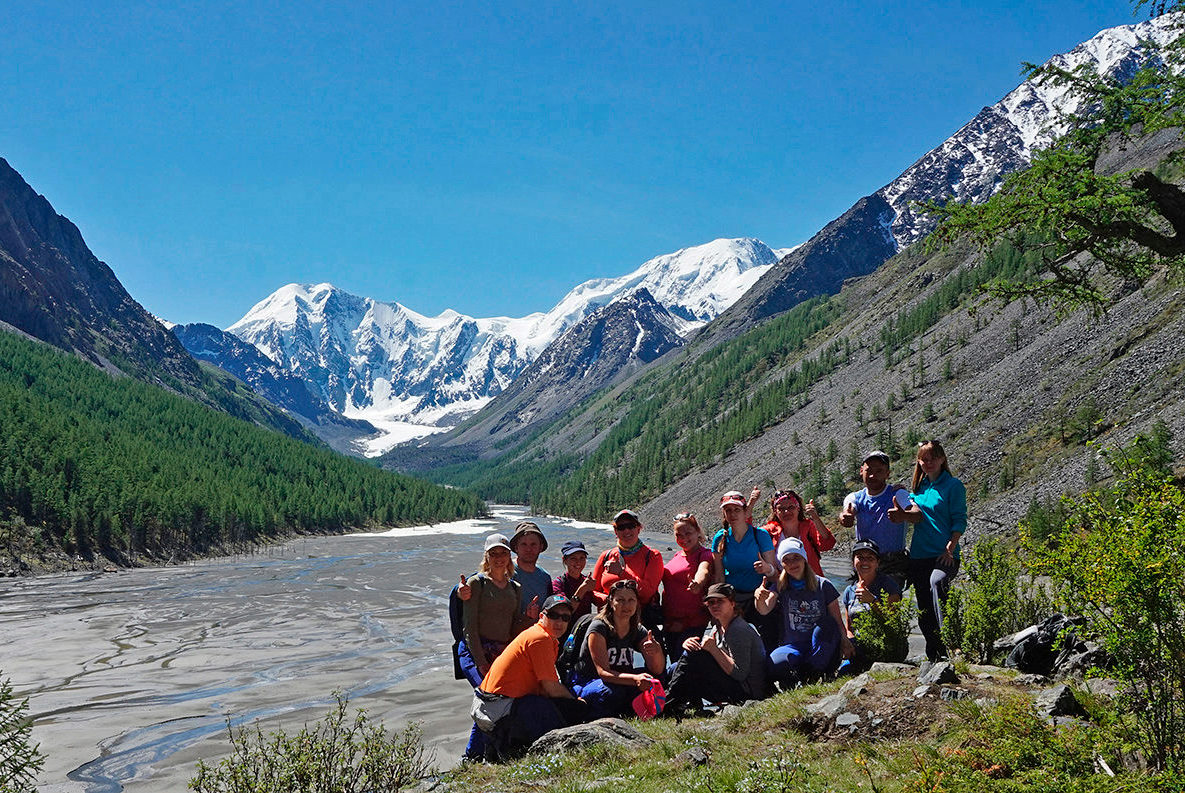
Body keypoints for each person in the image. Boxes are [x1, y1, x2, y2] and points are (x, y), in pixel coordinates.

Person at [473, 594, 586, 760]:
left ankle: (481, 753)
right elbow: (551, 688)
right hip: (498, 709)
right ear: (541, 616)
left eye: (565, 617)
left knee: (555, 703)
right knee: (565, 708)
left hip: (489, 706)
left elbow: (545, 687)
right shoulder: (540, 639)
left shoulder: (540, 635)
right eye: (553, 615)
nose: (559, 622)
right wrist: (576, 702)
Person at [457, 533, 536, 760]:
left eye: (503, 553)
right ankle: (473, 755)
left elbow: (512, 628)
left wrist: (528, 618)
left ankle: (489, 752)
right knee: (489, 698)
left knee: (496, 700)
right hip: (474, 651)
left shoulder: (515, 587)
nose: (499, 558)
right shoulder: (477, 583)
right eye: (494, 553)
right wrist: (480, 661)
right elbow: (469, 627)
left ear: (509, 556)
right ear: (487, 557)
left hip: (500, 653)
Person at [896, 439, 966, 662]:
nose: (929, 462)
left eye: (933, 458)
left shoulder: (953, 486)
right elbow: (912, 513)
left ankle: (952, 644)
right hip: (919, 555)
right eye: (924, 459)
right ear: (918, 461)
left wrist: (951, 545)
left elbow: (959, 518)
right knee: (924, 608)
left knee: (938, 583)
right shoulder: (920, 487)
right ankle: (934, 655)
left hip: (944, 555)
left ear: (942, 459)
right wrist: (900, 495)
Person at [756, 537, 853, 687]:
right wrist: (759, 599)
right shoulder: (780, 586)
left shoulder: (823, 585)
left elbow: (837, 620)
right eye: (786, 560)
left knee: (827, 624)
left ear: (804, 559)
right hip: (794, 646)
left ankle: (814, 671)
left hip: (821, 643)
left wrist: (845, 641)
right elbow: (764, 609)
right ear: (782, 564)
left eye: (796, 557)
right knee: (774, 663)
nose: (792, 563)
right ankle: (807, 672)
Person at [664, 583, 768, 714]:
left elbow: (740, 674)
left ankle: (667, 703)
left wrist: (713, 649)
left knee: (693, 656)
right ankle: (677, 704)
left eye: (720, 601)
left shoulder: (738, 630)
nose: (715, 605)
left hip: (747, 693)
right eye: (711, 602)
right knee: (677, 666)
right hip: (733, 686)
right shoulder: (717, 628)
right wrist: (689, 644)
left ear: (732, 603)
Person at [570, 579, 666, 719]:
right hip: (591, 681)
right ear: (610, 601)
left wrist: (656, 651)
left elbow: (657, 669)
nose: (626, 605)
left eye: (631, 600)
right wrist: (635, 679)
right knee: (612, 692)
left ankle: (630, 710)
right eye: (620, 600)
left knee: (656, 679)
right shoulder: (599, 628)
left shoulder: (637, 629)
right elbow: (603, 673)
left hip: (621, 680)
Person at [712, 491, 778, 647]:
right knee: (733, 644)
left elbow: (774, 574)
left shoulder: (760, 535)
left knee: (767, 641)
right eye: (728, 510)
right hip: (733, 599)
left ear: (744, 511)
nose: (732, 514)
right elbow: (719, 577)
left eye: (737, 510)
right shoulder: (720, 538)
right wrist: (717, 605)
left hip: (759, 597)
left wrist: (767, 568)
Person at [839, 451, 912, 587]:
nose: (873, 475)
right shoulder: (854, 497)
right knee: (862, 599)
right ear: (861, 471)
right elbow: (848, 511)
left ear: (887, 474)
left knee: (889, 599)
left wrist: (905, 515)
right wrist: (845, 517)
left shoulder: (899, 494)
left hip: (893, 563)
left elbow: (917, 514)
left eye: (879, 471)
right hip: (865, 560)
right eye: (869, 470)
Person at [839, 539, 904, 673]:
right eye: (860, 557)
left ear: (877, 563)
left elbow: (893, 622)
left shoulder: (889, 586)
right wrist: (848, 644)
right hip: (859, 645)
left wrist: (872, 601)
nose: (865, 562)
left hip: (885, 644)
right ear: (853, 561)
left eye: (870, 558)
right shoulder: (849, 591)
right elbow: (849, 629)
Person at [591, 509, 664, 620]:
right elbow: (592, 592)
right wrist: (611, 601)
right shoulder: (606, 556)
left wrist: (622, 573)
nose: (626, 530)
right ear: (615, 531)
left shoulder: (652, 556)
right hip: (608, 620)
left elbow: (647, 593)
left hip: (639, 621)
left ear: (639, 528)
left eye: (631, 526)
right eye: (621, 527)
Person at [660, 513, 714, 661]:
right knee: (674, 664)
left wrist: (698, 583)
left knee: (682, 665)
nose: (684, 538)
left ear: (697, 532)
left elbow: (704, 570)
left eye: (688, 533)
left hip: (692, 624)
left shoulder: (705, 554)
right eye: (679, 535)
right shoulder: (677, 555)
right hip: (670, 624)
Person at [761, 489, 836, 578]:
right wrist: (751, 504)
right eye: (781, 508)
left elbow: (828, 544)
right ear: (775, 511)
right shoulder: (769, 532)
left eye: (791, 507)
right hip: (782, 584)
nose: (786, 511)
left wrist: (815, 517)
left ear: (798, 508)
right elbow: (749, 534)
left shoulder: (808, 527)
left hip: (811, 582)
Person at [510, 522, 552, 614]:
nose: (528, 549)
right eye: (524, 544)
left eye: (533, 544)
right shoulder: (505, 572)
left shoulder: (545, 577)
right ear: (516, 547)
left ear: (540, 547)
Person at [551, 540, 596, 623]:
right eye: (573, 558)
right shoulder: (558, 584)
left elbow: (598, 600)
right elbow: (564, 613)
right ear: (565, 560)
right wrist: (582, 590)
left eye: (582, 558)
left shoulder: (587, 581)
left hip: (584, 627)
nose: (578, 562)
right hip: (564, 629)